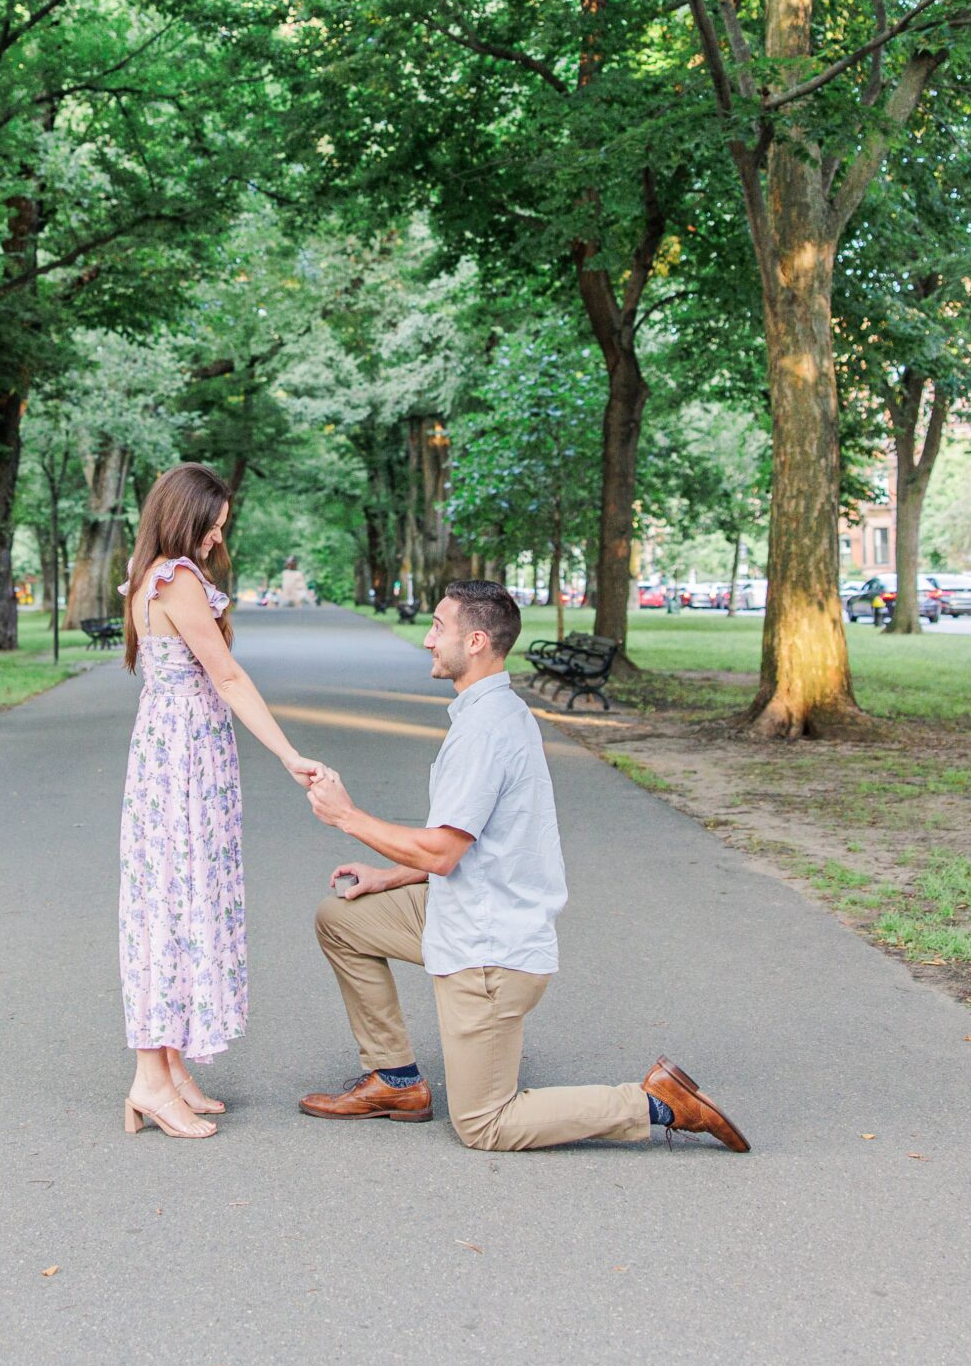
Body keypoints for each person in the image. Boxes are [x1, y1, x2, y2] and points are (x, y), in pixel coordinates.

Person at [298, 580, 748, 1152]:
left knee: (485, 1123)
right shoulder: (491, 712)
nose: (429, 639)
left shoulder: (485, 731)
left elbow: (442, 851)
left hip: (489, 949)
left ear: (478, 641)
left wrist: (346, 816)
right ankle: (395, 1081)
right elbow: (476, 846)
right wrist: (388, 877)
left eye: (440, 627)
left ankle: (657, 1103)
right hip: (467, 908)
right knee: (341, 919)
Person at [117, 463, 325, 1140]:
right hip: (182, 758)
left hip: (174, 752)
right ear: (183, 516)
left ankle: (170, 1065)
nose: (215, 535)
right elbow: (227, 676)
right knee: (172, 905)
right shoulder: (175, 581)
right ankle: (150, 1079)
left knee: (173, 899)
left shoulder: (153, 573)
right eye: (211, 523)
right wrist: (289, 752)